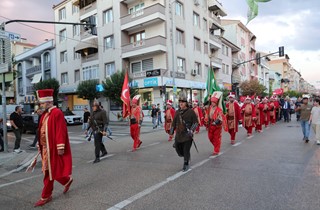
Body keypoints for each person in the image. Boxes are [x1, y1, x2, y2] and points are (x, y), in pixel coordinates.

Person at [34, 89, 72, 207]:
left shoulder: (57, 113)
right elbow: (42, 130)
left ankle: (46, 196)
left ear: (48, 102)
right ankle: (66, 180)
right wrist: (39, 143)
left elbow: (61, 131)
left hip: (53, 149)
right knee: (49, 170)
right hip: (46, 148)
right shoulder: (45, 114)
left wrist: (60, 146)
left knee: (48, 172)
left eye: (42, 103)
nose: (40, 105)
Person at [170, 94, 198, 171]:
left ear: (186, 103)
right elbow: (174, 123)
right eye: (180, 102)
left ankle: (186, 163)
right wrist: (171, 132)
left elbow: (195, 123)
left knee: (186, 149)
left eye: (183, 102)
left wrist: (191, 130)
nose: (181, 103)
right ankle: (187, 156)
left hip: (187, 135)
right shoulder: (177, 112)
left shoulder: (191, 112)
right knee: (179, 151)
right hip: (179, 135)